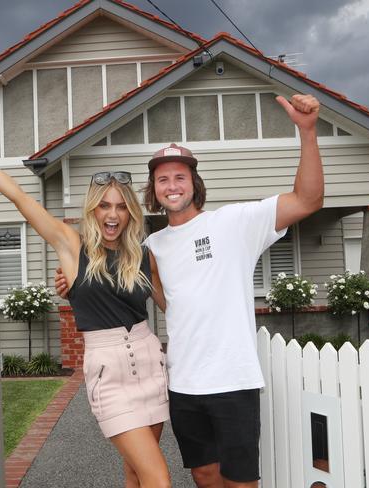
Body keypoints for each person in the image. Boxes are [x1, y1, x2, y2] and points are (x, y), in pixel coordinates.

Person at [56, 93, 324, 488]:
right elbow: (129, 289)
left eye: (180, 176)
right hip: (181, 383)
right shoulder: (151, 248)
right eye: (162, 179)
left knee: (240, 481)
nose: (172, 185)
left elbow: (308, 199)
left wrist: (308, 132)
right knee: (203, 475)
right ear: (154, 190)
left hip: (232, 379)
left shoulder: (234, 223)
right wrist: (71, 286)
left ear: (194, 183)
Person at [0, 120, 171, 488]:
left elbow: (173, 306)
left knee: (137, 472)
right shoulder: (72, 245)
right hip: (109, 372)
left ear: (130, 213)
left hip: (149, 363)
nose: (112, 215)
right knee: (158, 477)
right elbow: (20, 198)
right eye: (104, 206)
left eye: (121, 207)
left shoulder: (144, 256)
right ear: (93, 209)